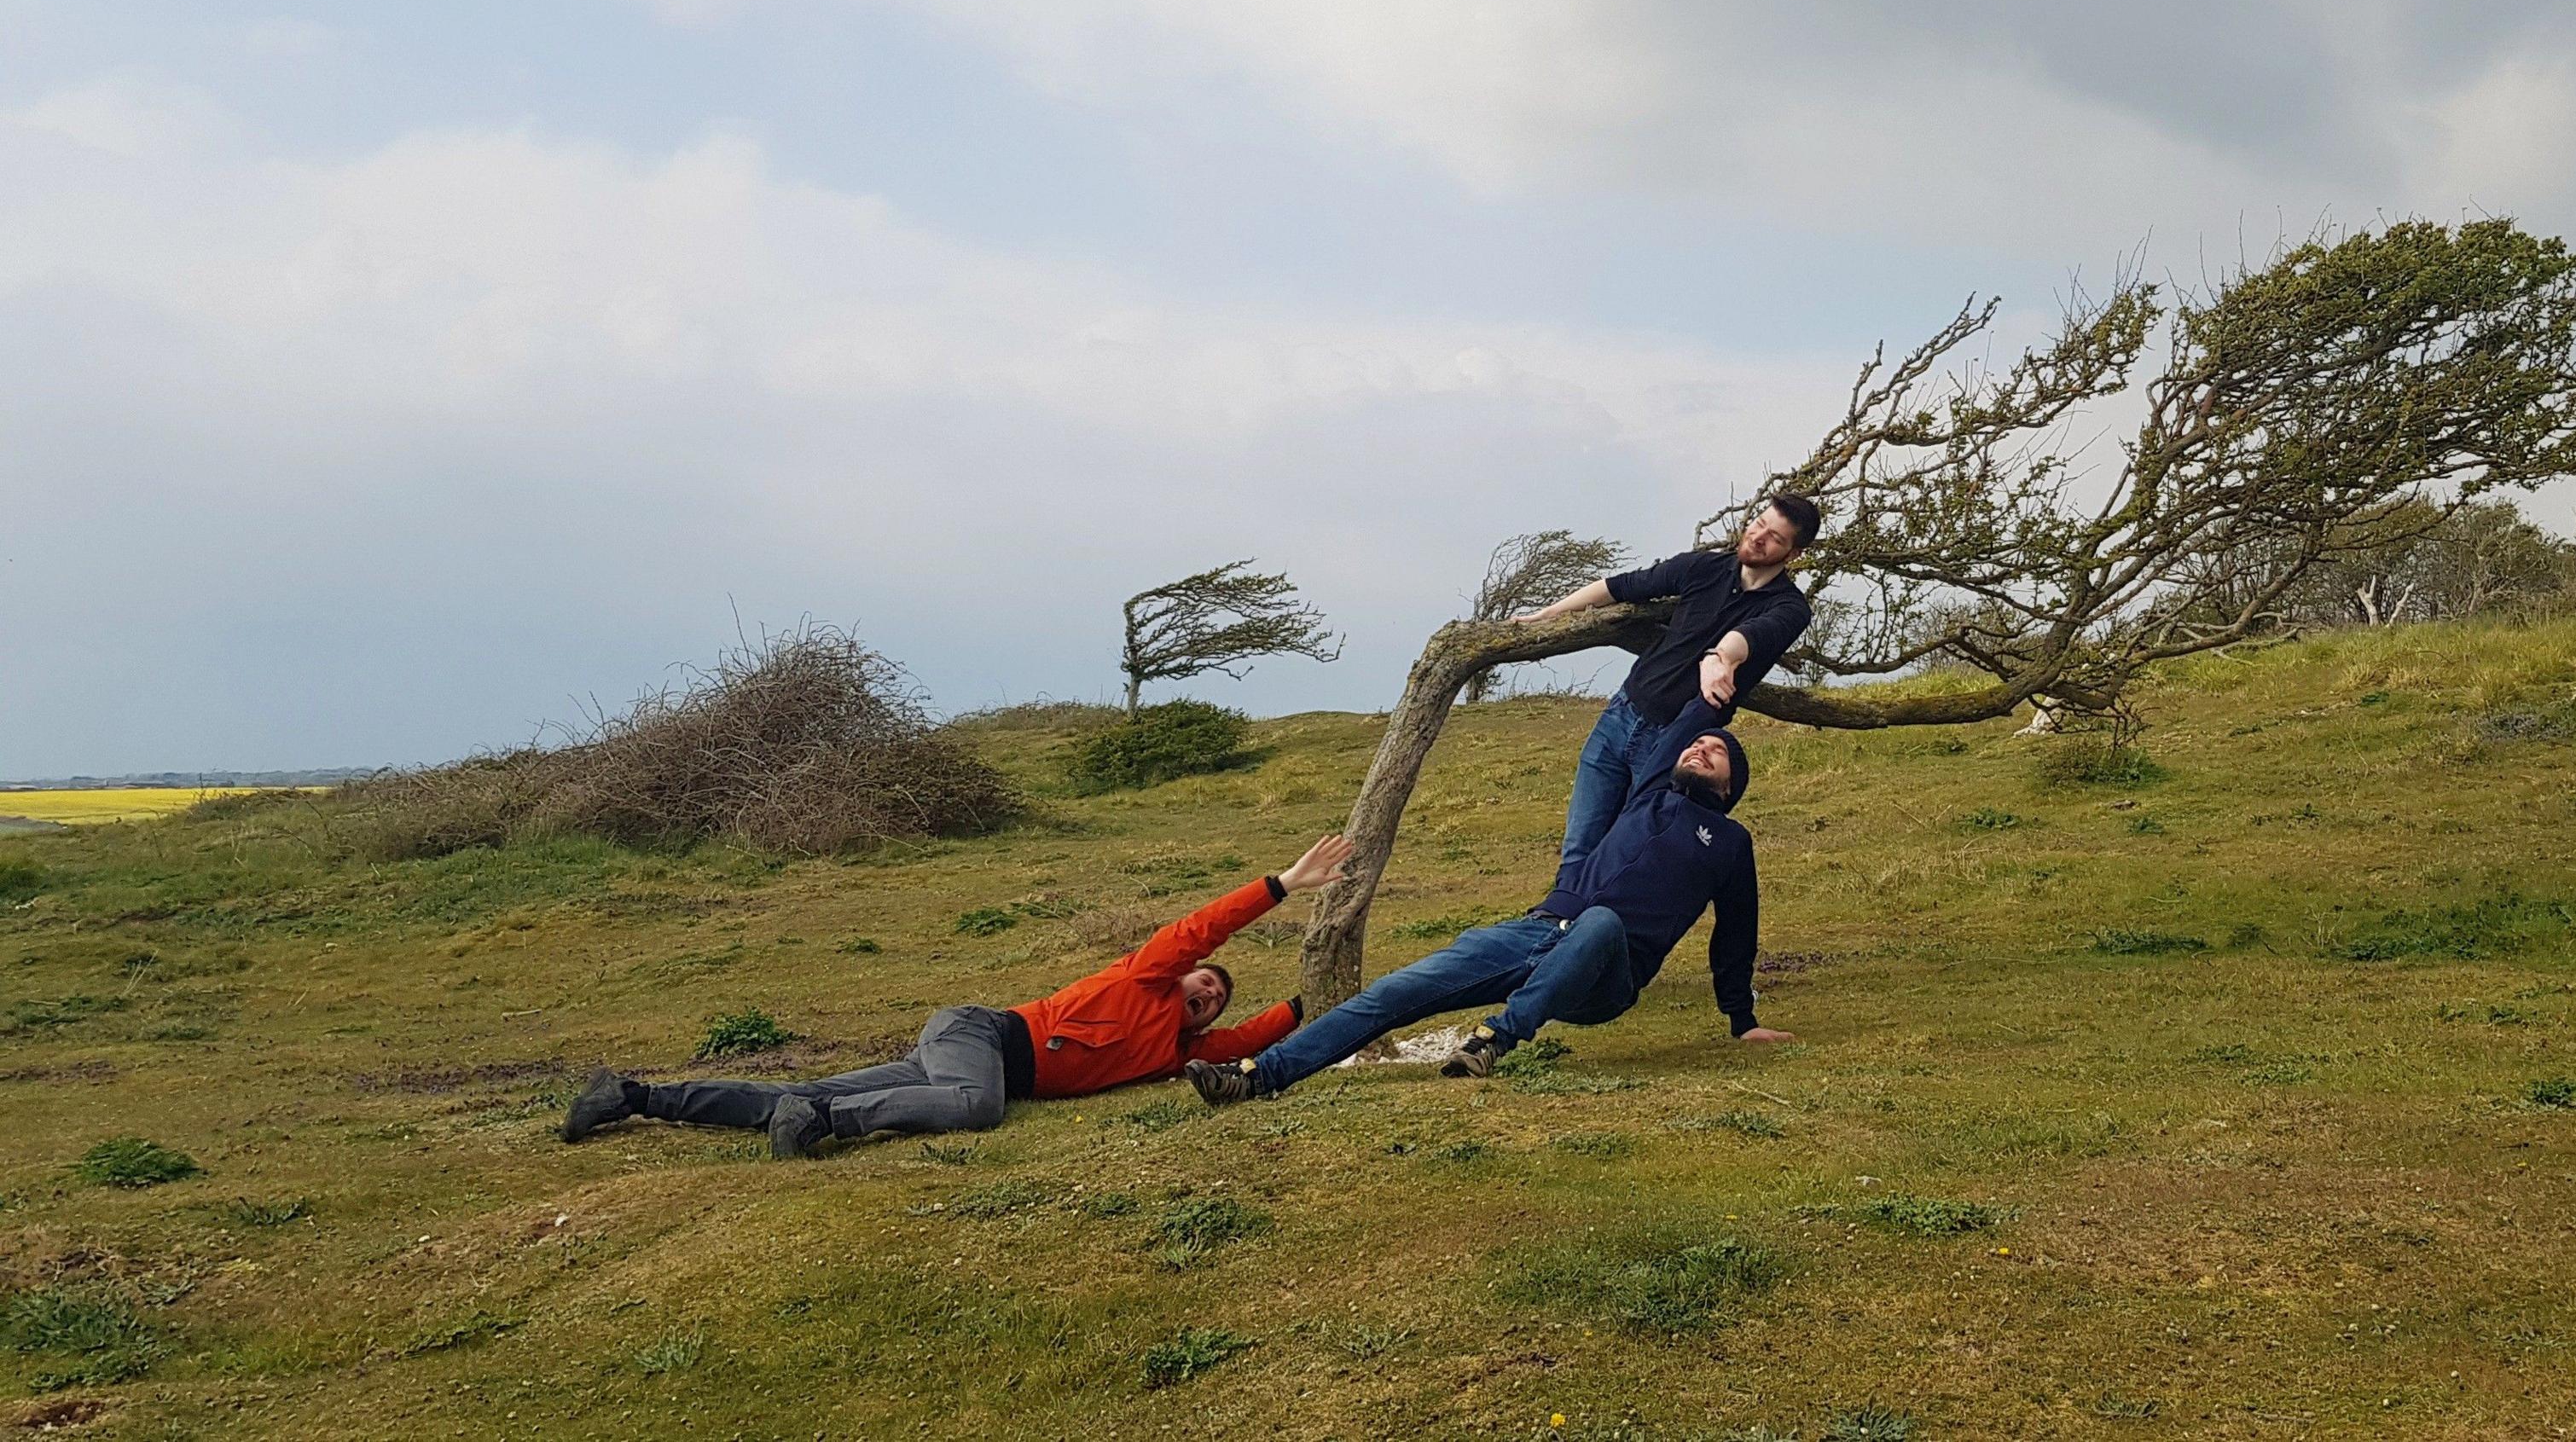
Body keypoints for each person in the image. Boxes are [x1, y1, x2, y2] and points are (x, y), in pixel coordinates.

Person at [560, 835, 1355, 1157]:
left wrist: (1324, 1004)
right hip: (979, 1039)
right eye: (1204, 983)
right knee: (977, 1109)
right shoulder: (1145, 973)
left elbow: (1252, 1038)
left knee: (789, 1094)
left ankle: (634, 1096)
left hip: (958, 1064)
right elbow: (1198, 931)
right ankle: (828, 1124)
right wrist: (1284, 885)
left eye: (1214, 999)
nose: (1208, 994)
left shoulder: (1179, 1051)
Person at [1187, 701, 1786, 1104]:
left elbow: (1735, 935)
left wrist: (1743, 1023)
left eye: (1717, 751)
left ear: (1731, 786)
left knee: (1602, 921)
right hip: (1535, 932)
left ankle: (1494, 1040)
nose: (1700, 749)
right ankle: (1256, 1078)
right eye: (1696, 745)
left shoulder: (1731, 843)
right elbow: (1681, 726)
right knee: (1394, 993)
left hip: (1609, 969)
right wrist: (1709, 695)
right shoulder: (1648, 794)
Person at [1516, 494, 1820, 884]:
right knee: (1578, 849)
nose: (1759, 536)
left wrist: (1720, 658)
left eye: (1774, 537)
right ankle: (1552, 926)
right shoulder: (1703, 568)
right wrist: (1546, 616)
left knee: (1625, 855)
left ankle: (1603, 934)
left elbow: (1749, 636)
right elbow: (1619, 586)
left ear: (1792, 554)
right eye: (1759, 523)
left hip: (1674, 744)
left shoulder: (1791, 608)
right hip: (1620, 716)